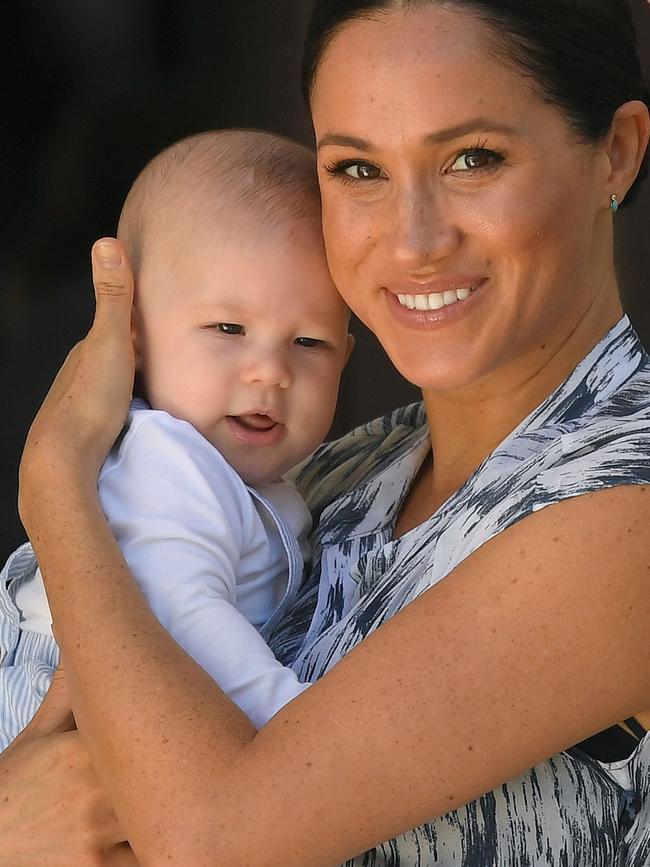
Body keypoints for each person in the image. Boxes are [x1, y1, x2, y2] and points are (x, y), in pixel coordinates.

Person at [2, 0, 650, 864]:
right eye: (356, 170)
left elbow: (212, 843)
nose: (413, 240)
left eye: (472, 158)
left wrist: (55, 483)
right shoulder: (344, 467)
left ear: (617, 150)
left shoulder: (624, 505)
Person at [0, 128, 354, 748]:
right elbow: (182, 618)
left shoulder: (255, 478)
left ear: (345, 359)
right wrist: (299, 735)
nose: (270, 371)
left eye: (309, 343)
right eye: (228, 327)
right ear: (133, 335)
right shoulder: (167, 460)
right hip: (55, 709)